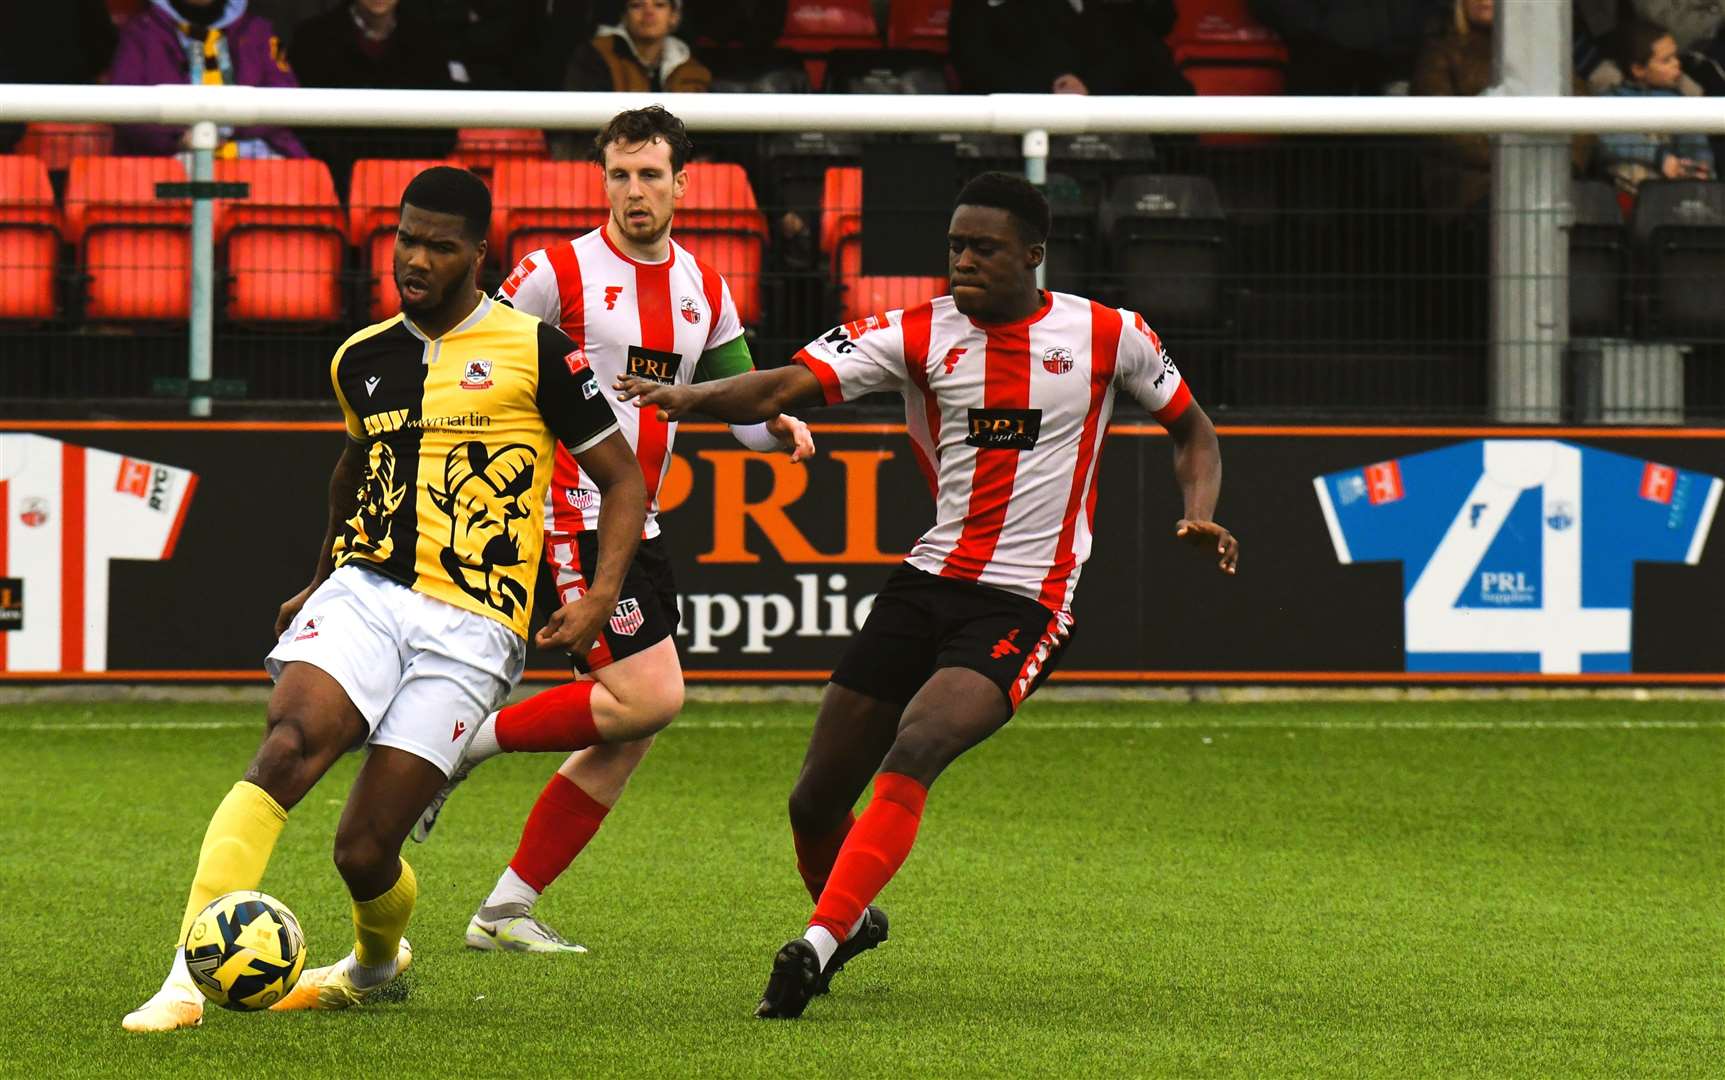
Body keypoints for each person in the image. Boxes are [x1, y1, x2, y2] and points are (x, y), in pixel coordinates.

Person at [616, 171, 1240, 1020]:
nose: (963, 261)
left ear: (1032, 253)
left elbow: (1193, 431)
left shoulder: (1107, 333)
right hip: (926, 583)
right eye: (953, 246)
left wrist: (1198, 512)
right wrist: (690, 397)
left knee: (916, 747)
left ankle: (815, 944)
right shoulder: (911, 335)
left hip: (1026, 601)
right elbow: (780, 387)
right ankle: (852, 920)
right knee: (812, 800)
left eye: (983, 248)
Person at [119, 165, 646, 1032]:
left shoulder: (538, 349)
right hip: (367, 590)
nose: (416, 259)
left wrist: (598, 596)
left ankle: (372, 965)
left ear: (478, 254)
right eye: (407, 239)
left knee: (364, 851)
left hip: (475, 625)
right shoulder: (360, 358)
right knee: (288, 744)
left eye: (440, 246)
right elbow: (354, 469)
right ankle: (184, 978)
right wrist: (322, 574)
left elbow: (622, 481)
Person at [406, 105, 814, 954]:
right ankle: (459, 746)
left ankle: (504, 911)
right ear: (604, 181)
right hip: (564, 508)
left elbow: (736, 406)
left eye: (650, 175)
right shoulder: (556, 273)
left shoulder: (704, 286)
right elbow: (470, 349)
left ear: (680, 185)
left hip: (638, 520)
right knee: (651, 696)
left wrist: (776, 428)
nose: (635, 191)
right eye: (620, 175)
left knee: (632, 724)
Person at [287, 0, 458, 186]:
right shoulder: (313, 37)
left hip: (410, 177)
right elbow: (303, 123)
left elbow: (443, 124)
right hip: (332, 178)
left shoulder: (426, 40)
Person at [108, 0, 307, 159]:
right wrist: (178, 138)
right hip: (171, 163)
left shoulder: (258, 31)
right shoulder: (141, 32)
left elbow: (285, 95)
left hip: (254, 157)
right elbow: (125, 108)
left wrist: (228, 129)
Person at [1597, 19, 1715, 195]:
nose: (1677, 64)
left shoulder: (1682, 103)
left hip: (1671, 194)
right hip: (1623, 198)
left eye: (1675, 56)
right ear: (1638, 69)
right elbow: (1609, 142)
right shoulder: (1613, 100)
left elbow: (1695, 144)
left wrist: (1697, 168)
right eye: (1666, 60)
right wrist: (1660, 158)